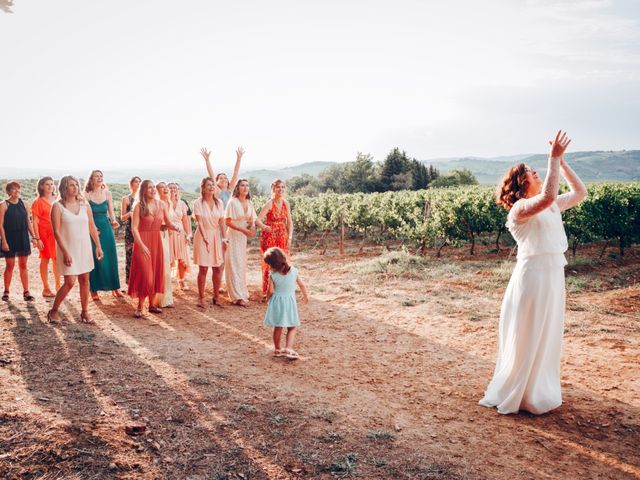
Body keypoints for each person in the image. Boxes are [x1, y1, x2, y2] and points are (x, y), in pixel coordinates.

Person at [479, 131, 587, 415]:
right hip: (533, 278)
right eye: (528, 170)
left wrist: (561, 163)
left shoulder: (549, 206)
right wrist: (552, 158)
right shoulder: (520, 209)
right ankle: (518, 392)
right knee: (530, 332)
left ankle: (536, 390)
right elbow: (549, 194)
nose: (535, 170)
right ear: (519, 183)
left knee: (546, 332)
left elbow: (579, 193)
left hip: (552, 275)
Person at [47, 176, 104, 324]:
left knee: (85, 279)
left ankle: (85, 312)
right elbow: (56, 232)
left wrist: (98, 246)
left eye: (76, 185)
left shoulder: (85, 204)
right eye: (71, 185)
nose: (75, 187)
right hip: (67, 248)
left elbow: (92, 226)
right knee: (70, 282)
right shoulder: (57, 206)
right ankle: (53, 311)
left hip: (84, 247)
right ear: (64, 188)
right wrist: (65, 252)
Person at [128, 180, 179, 318]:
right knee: (146, 275)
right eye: (149, 188)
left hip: (156, 242)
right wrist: (141, 245)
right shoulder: (139, 206)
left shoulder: (161, 204)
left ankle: (152, 305)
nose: (152, 190)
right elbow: (134, 228)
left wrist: (176, 227)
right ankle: (139, 307)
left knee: (155, 272)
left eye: (153, 187)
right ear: (143, 190)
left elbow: (168, 223)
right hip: (142, 242)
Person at [263, 247, 308, 360]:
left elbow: (270, 291)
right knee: (292, 327)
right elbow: (301, 285)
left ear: (272, 264)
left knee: (278, 327)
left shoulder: (273, 275)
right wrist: (306, 296)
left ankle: (277, 349)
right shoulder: (294, 271)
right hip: (289, 302)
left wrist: (267, 299)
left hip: (277, 303)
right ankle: (288, 348)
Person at [84, 170, 121, 299]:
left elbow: (111, 213)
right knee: (95, 258)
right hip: (93, 228)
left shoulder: (108, 193)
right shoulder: (87, 195)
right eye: (96, 176)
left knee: (111, 256)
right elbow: (86, 215)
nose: (99, 178)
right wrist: (93, 228)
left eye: (101, 176)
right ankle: (94, 289)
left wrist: (114, 221)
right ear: (91, 179)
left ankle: (115, 287)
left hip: (106, 227)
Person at [0, 181, 39, 302]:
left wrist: (34, 237)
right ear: (8, 192)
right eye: (13, 189)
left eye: (18, 188)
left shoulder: (24, 204)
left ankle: (26, 292)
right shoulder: (3, 205)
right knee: (10, 265)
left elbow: (28, 222)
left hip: (23, 237)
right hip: (9, 237)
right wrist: (4, 241)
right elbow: (0, 225)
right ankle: (6, 291)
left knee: (23, 265)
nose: (17, 191)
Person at [193, 177, 228, 308]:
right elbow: (200, 222)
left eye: (213, 185)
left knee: (218, 268)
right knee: (203, 268)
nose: (212, 187)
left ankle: (216, 296)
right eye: (208, 185)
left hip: (215, 236)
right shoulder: (198, 203)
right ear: (203, 188)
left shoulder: (219, 202)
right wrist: (205, 238)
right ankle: (201, 298)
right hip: (202, 236)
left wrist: (224, 239)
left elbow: (222, 222)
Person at [257, 179, 293, 300]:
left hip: (282, 234)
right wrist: (264, 227)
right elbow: (257, 220)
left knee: (284, 261)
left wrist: (290, 236)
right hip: (270, 236)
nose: (281, 189)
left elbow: (290, 221)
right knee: (270, 262)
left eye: (283, 187)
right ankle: (267, 291)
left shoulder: (285, 203)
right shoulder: (269, 204)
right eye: (278, 187)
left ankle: (282, 288)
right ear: (273, 189)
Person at [224, 179, 257, 306]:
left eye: (247, 185)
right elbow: (227, 221)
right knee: (233, 263)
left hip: (242, 237)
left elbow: (252, 219)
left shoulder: (249, 202)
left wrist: (252, 228)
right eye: (242, 185)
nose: (245, 187)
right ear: (238, 188)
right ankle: (236, 296)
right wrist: (243, 230)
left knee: (241, 264)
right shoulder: (232, 202)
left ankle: (242, 292)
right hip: (233, 234)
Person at [31, 177, 60, 297]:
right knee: (45, 259)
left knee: (57, 260)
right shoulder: (38, 202)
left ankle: (58, 286)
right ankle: (46, 288)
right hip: (44, 235)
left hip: (57, 233)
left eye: (52, 184)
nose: (50, 186)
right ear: (41, 186)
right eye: (47, 184)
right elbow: (35, 222)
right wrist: (37, 238)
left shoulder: (57, 199)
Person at [168, 182, 192, 290]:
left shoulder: (182, 204)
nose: (173, 190)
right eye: (171, 188)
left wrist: (188, 234)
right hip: (167, 232)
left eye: (175, 188)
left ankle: (181, 280)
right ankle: (166, 281)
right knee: (168, 257)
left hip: (180, 232)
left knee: (182, 257)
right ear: (166, 190)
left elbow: (185, 220)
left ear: (178, 190)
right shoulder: (163, 203)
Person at [156, 182, 174, 308]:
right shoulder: (156, 204)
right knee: (160, 266)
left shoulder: (169, 203)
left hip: (167, 235)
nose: (166, 189)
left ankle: (166, 298)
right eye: (162, 187)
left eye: (166, 187)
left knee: (166, 266)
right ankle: (157, 298)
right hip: (157, 235)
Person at [121, 176, 141, 286]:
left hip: (141, 229)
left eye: (139, 182)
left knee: (140, 256)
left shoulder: (142, 199)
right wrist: (130, 213)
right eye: (136, 182)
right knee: (130, 255)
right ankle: (130, 282)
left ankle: (140, 279)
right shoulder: (126, 199)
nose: (138, 183)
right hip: (130, 230)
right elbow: (122, 217)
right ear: (131, 184)